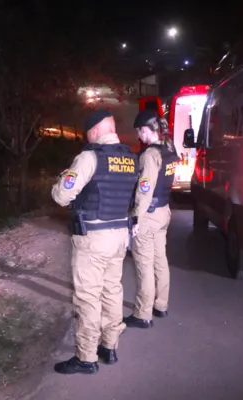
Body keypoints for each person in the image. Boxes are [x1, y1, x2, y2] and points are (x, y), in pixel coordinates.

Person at [50, 109, 139, 375]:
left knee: (88, 297)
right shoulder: (130, 158)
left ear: (96, 130)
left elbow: (62, 196)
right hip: (119, 237)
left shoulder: (89, 157)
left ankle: (86, 357)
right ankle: (109, 347)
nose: (87, 137)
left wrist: (60, 181)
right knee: (112, 290)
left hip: (94, 237)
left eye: (89, 132)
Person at [123, 109, 179, 329]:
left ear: (146, 129)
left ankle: (142, 314)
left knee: (144, 265)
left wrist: (136, 218)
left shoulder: (150, 155)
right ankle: (161, 305)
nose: (139, 136)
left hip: (148, 215)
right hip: (164, 211)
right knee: (160, 261)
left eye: (140, 131)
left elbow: (144, 190)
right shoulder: (169, 149)